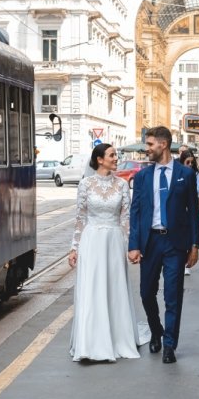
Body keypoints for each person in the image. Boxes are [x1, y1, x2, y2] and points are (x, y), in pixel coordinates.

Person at [128, 126, 199, 364]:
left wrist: (195, 244)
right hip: (150, 241)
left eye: (150, 145)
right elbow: (135, 212)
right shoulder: (142, 177)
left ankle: (169, 344)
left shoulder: (185, 174)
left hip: (175, 243)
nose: (146, 149)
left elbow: (193, 212)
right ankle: (156, 329)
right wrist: (134, 244)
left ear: (163, 145)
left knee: (173, 294)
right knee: (146, 292)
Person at [68, 143, 141, 362]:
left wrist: (131, 246)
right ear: (100, 159)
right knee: (92, 289)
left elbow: (126, 218)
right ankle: (89, 343)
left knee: (113, 288)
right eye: (112, 155)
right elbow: (80, 217)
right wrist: (74, 248)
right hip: (91, 241)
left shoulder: (121, 185)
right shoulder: (85, 184)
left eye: (115, 155)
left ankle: (117, 338)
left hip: (114, 240)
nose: (116, 158)